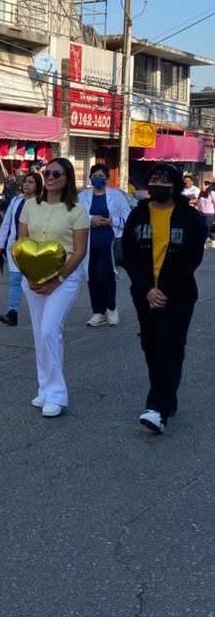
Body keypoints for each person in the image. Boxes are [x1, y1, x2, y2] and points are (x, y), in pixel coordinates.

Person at [121, 162, 206, 434]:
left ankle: (156, 409)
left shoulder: (191, 218)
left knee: (170, 348)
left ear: (176, 185)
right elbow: (128, 254)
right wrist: (147, 289)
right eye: (154, 179)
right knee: (151, 347)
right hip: (144, 295)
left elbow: (192, 259)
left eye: (164, 180)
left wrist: (163, 290)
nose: (157, 184)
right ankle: (167, 397)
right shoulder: (138, 214)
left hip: (178, 296)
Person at [16, 157, 89, 418]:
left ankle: (57, 394)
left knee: (49, 330)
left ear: (67, 178)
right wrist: (30, 275)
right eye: (47, 173)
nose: (50, 177)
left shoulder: (77, 211)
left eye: (57, 174)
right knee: (39, 333)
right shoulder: (29, 205)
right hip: (33, 278)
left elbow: (79, 251)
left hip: (64, 278)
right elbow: (22, 243)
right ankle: (44, 388)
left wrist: (56, 280)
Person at [78, 163, 132, 328]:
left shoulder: (117, 195)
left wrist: (112, 220)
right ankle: (98, 312)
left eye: (101, 176)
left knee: (106, 275)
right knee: (92, 276)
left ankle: (111, 308)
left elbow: (128, 217)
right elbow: (76, 216)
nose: (98, 179)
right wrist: (91, 219)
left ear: (107, 179)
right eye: (94, 176)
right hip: (88, 242)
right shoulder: (82, 196)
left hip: (109, 241)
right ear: (90, 178)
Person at [0, 172, 42, 326]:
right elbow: (7, 223)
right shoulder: (16, 200)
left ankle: (41, 312)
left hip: (33, 248)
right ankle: (12, 313)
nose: (26, 184)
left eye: (31, 182)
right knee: (15, 281)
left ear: (38, 186)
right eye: (25, 181)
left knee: (32, 283)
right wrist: (0, 244)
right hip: (15, 246)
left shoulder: (41, 203)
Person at [196, 179, 215, 248]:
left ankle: (203, 243)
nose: (202, 186)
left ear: (208, 186)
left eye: (203, 185)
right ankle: (212, 239)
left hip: (210, 214)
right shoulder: (200, 193)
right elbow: (199, 204)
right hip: (201, 214)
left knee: (206, 229)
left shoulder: (212, 193)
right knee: (202, 228)